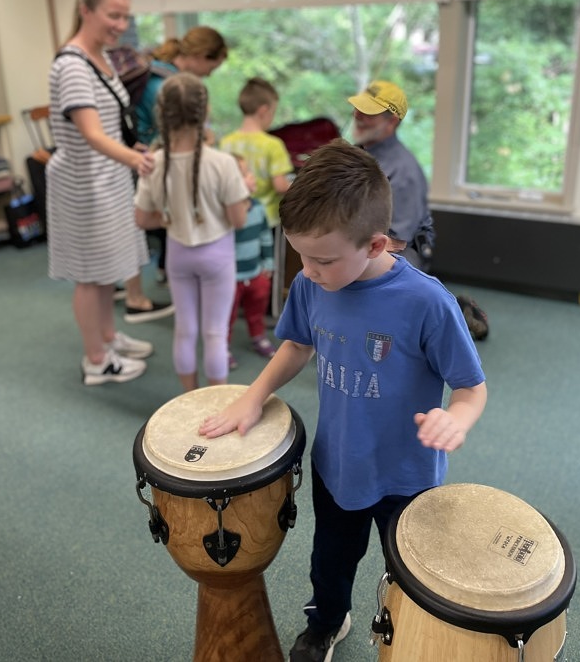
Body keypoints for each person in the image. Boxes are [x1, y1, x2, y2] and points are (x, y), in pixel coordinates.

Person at [199, 139, 487, 662]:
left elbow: (471, 386)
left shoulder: (427, 303)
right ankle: (328, 621)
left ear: (376, 246)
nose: (306, 270)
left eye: (321, 259)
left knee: (407, 570)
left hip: (406, 474)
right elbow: (296, 344)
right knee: (329, 559)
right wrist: (253, 395)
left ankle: (405, 636)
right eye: (299, 254)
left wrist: (458, 417)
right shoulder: (315, 282)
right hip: (337, 464)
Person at [47, 0, 156, 386]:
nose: (121, 25)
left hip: (107, 178)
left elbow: (111, 123)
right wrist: (135, 159)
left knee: (108, 269)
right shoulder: (73, 65)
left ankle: (109, 337)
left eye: (126, 17)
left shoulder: (101, 57)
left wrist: (132, 151)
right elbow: (91, 133)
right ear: (85, 10)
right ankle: (97, 359)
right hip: (84, 184)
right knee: (91, 275)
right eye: (113, 15)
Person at [134, 73, 248, 392]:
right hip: (217, 255)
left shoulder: (152, 163)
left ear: (162, 113)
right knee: (214, 333)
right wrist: (245, 194)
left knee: (185, 330)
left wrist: (173, 218)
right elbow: (237, 219)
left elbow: (142, 218)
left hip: (178, 254)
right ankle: (214, 402)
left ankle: (188, 399)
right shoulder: (223, 163)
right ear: (205, 111)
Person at [121, 26, 230, 311]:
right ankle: (148, 291)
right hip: (148, 157)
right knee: (164, 215)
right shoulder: (166, 85)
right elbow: (175, 129)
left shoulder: (159, 72)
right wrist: (205, 139)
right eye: (212, 66)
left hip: (147, 154)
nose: (209, 74)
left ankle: (165, 270)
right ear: (199, 56)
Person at [219, 77, 294, 316]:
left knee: (237, 260)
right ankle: (268, 309)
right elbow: (280, 185)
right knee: (267, 266)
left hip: (234, 216)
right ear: (264, 110)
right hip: (266, 218)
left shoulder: (227, 142)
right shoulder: (273, 144)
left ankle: (236, 302)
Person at [348, 79, 435, 270]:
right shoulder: (355, 154)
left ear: (392, 122)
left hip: (398, 253)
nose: (357, 115)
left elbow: (394, 243)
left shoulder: (404, 171)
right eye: (358, 108)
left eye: (368, 113)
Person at [228, 154, 276, 371]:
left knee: (257, 308)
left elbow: (265, 235)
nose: (253, 177)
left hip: (256, 273)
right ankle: (221, 348)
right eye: (246, 174)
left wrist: (268, 262)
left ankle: (258, 336)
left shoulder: (258, 207)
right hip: (230, 279)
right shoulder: (225, 214)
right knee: (225, 317)